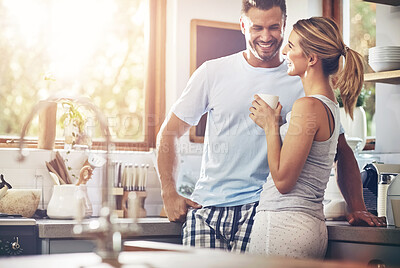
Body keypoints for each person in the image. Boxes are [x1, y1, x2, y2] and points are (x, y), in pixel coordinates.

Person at [156, 0, 386, 253]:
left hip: (263, 211)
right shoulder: (212, 72)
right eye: (257, 28)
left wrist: (356, 206)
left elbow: (341, 151)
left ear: (284, 26)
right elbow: (168, 133)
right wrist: (169, 192)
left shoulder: (304, 82)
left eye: (274, 28)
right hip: (206, 209)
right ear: (243, 25)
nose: (266, 36)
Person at [247, 16, 369, 259]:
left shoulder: (307, 106)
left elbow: (283, 182)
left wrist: (271, 126)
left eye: (291, 46)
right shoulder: (330, 107)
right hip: (309, 227)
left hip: (283, 225)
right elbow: (343, 155)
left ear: (312, 58)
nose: (284, 51)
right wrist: (358, 207)